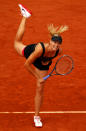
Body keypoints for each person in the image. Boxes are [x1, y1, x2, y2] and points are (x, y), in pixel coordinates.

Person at [14, 4, 68, 128]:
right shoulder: (40, 48)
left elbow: (52, 59)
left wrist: (44, 66)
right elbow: (27, 64)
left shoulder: (59, 51)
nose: (56, 45)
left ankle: (36, 117)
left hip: (42, 62)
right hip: (33, 53)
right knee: (17, 43)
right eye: (54, 42)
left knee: (40, 87)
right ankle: (25, 16)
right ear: (50, 41)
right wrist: (36, 76)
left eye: (58, 44)